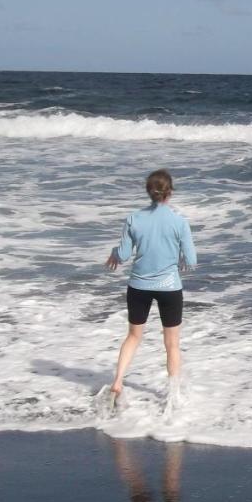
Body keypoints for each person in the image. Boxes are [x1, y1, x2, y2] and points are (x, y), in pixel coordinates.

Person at [104, 169, 197, 401]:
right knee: (172, 343)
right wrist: (181, 259)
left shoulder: (134, 218)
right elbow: (192, 261)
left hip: (138, 287)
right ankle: (173, 396)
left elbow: (124, 254)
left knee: (133, 336)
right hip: (169, 287)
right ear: (170, 192)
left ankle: (117, 381)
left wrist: (115, 253)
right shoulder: (179, 222)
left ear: (149, 192)